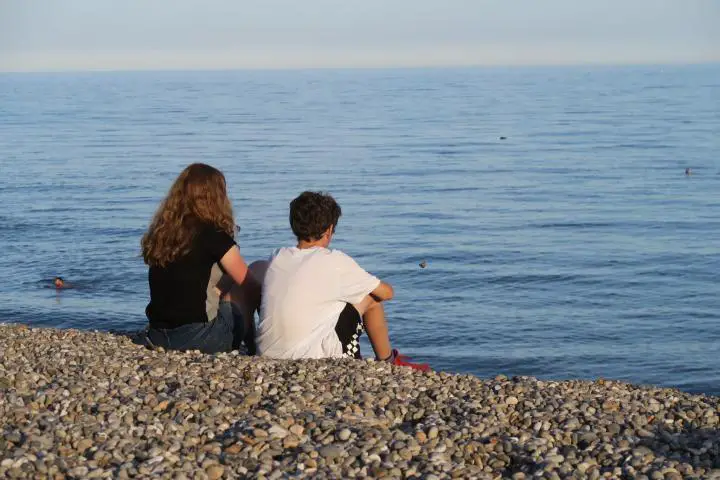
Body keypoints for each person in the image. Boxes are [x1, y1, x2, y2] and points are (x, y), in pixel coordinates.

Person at [256, 191, 429, 370]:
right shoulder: (335, 261)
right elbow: (387, 292)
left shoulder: (278, 256)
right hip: (312, 359)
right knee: (372, 297)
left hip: (267, 354)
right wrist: (361, 280)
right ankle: (388, 362)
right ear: (329, 230)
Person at [141, 163, 260, 354]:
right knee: (243, 286)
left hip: (156, 335)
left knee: (223, 281)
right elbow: (250, 285)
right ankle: (254, 348)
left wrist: (220, 287)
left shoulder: (162, 233)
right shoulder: (214, 235)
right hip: (198, 338)